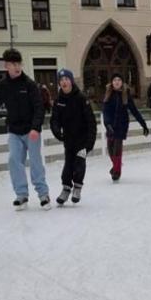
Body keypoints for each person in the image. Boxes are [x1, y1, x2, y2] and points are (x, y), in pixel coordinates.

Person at [0, 47, 50, 209]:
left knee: (35, 162)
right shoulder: (3, 85)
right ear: (6, 66)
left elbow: (39, 107)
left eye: (18, 63)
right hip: (14, 130)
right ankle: (21, 195)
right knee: (14, 160)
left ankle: (43, 194)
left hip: (31, 130)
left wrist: (35, 128)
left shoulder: (29, 84)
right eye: (13, 64)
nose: (17, 67)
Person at [50, 69, 97, 204]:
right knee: (68, 165)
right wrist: (57, 132)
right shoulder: (58, 100)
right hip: (68, 139)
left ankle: (77, 187)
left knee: (79, 164)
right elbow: (55, 120)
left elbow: (91, 121)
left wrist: (89, 143)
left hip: (82, 140)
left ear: (71, 81)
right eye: (61, 80)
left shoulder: (81, 98)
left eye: (66, 79)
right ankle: (66, 188)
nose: (64, 82)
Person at [101, 74, 148, 181]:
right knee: (111, 150)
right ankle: (116, 166)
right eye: (115, 80)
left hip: (121, 126)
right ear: (112, 82)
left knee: (117, 149)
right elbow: (105, 111)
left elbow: (134, 111)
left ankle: (117, 172)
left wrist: (143, 124)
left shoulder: (125, 94)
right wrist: (107, 124)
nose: (117, 82)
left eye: (119, 80)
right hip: (110, 126)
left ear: (122, 82)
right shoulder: (108, 93)